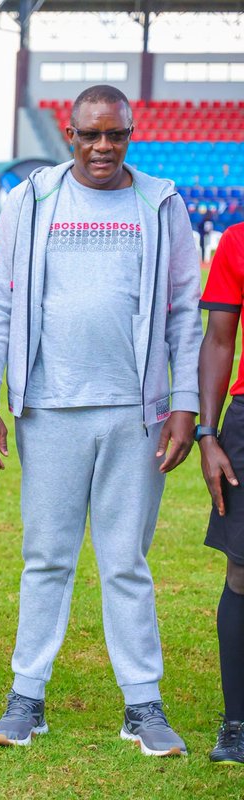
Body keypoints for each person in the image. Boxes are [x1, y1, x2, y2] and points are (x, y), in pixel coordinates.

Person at [0, 84, 201, 755]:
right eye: (89, 135)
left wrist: (183, 403)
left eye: (115, 135)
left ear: (132, 133)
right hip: (49, 408)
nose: (103, 148)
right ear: (68, 134)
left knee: (126, 560)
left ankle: (143, 704)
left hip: (136, 414)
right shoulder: (30, 200)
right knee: (46, 558)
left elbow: (185, 312)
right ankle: (27, 697)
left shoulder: (160, 203)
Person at [196, 221, 244, 764]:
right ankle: (236, 723)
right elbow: (219, 339)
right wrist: (209, 434)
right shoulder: (236, 241)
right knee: (241, 572)